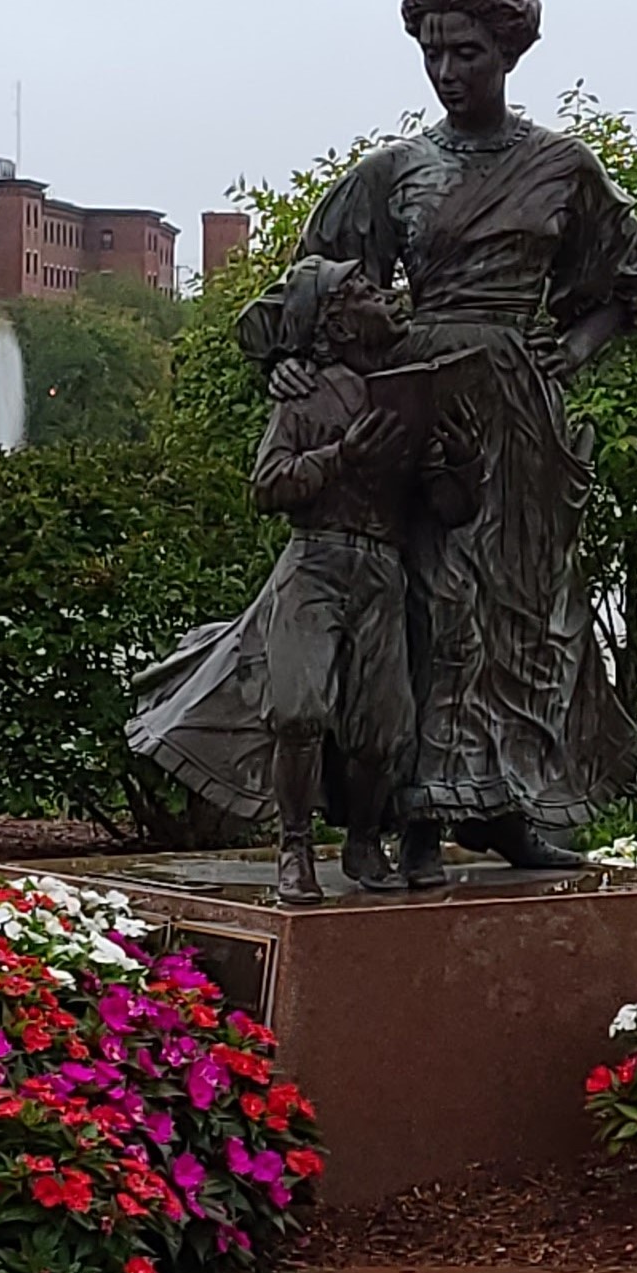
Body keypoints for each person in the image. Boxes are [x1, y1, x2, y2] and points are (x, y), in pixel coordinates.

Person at [247, 0, 637, 887]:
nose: (447, 72)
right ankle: (416, 817)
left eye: (467, 52)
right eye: (433, 54)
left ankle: (510, 801)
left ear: (508, 52)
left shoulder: (564, 168)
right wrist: (293, 365)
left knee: (526, 613)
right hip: (421, 395)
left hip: (520, 407)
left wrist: (575, 349)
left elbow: (632, 280)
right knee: (432, 607)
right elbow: (308, 286)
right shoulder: (397, 171)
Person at [129, 257, 479, 904]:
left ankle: (365, 839)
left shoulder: (409, 393)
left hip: (382, 570)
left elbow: (451, 507)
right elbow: (268, 486)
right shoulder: (306, 394)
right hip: (314, 562)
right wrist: (340, 457)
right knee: (298, 709)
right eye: (366, 290)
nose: (385, 296)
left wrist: (464, 461)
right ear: (336, 322)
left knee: (385, 728)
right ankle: (293, 846)